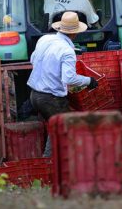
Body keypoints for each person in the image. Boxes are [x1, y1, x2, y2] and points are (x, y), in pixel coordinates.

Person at [27, 11, 99, 157]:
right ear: (75, 33)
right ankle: (52, 164)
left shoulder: (45, 39)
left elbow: (33, 60)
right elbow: (69, 79)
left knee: (57, 129)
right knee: (68, 128)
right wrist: (89, 80)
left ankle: (49, 165)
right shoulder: (67, 51)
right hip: (50, 99)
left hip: (34, 95)